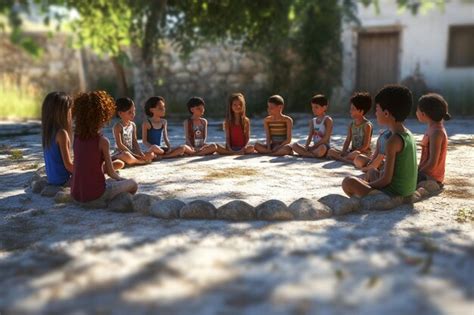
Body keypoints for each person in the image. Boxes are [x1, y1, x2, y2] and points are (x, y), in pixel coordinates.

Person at [342, 85, 417, 198]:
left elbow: (386, 180)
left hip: (394, 192)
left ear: (386, 113)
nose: (375, 113)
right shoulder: (408, 134)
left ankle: (367, 198)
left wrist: (367, 185)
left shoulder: (393, 140)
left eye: (377, 109)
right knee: (372, 172)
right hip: (406, 189)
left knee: (348, 182)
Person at [71, 91, 138, 205]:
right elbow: (112, 173)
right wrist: (123, 180)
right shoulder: (102, 141)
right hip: (96, 196)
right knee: (133, 183)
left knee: (111, 180)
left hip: (76, 195)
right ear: (103, 115)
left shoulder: (76, 138)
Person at [327, 92, 373, 163]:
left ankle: (344, 159)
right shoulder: (351, 124)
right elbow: (348, 140)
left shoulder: (367, 125)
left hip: (362, 153)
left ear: (361, 111)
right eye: (350, 108)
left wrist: (354, 152)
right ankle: (346, 159)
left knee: (356, 155)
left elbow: (366, 145)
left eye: (353, 109)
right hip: (351, 152)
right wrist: (344, 151)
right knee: (331, 151)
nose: (350, 111)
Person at [416, 93, 451, 185]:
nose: (416, 112)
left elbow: (432, 163)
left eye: (417, 110)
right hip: (425, 173)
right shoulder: (432, 129)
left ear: (423, 114)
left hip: (432, 178)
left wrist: (416, 175)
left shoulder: (437, 133)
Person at [41, 91, 74, 186]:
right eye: (69, 109)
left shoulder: (48, 132)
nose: (71, 112)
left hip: (52, 179)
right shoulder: (62, 133)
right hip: (63, 180)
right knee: (93, 170)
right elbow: (68, 166)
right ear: (62, 112)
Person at [112, 97, 155, 166]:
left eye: (134, 111)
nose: (133, 114)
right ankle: (141, 162)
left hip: (132, 151)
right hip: (121, 153)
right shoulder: (118, 127)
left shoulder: (133, 125)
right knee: (126, 156)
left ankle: (134, 160)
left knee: (151, 154)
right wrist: (132, 154)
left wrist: (140, 152)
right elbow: (119, 144)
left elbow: (134, 141)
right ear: (120, 113)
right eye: (130, 112)